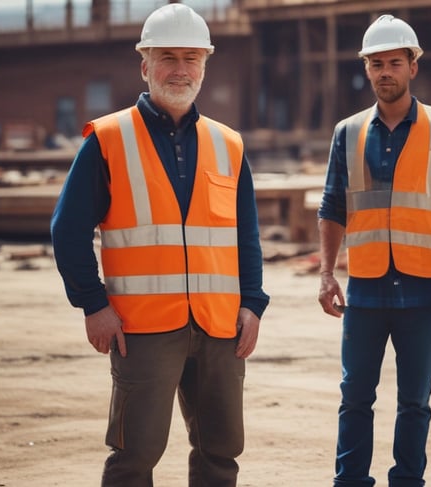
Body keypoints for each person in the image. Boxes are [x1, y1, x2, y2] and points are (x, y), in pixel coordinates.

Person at [50, 4, 269, 486]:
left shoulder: (228, 144)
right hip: (142, 327)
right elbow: (67, 231)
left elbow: (244, 235)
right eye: (167, 57)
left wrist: (252, 304)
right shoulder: (108, 139)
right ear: (144, 64)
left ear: (205, 65)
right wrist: (93, 304)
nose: (180, 68)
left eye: (192, 57)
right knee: (134, 456)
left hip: (219, 326)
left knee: (220, 453)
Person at [317, 14, 431, 487]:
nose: (385, 72)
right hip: (364, 289)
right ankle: (351, 481)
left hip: (423, 287)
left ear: (413, 67)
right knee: (355, 397)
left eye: (394, 63)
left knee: (415, 401)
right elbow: (332, 206)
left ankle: (408, 481)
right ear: (366, 69)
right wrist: (326, 274)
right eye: (376, 64)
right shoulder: (347, 132)